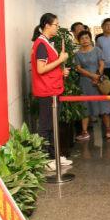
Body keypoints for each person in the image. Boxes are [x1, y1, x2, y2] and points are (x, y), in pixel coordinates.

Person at [30, 13, 71, 171]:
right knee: (46, 126)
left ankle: (54, 156)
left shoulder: (46, 42)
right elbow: (41, 69)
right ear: (47, 25)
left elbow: (49, 68)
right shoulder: (41, 44)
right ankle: (46, 159)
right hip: (46, 91)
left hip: (52, 89)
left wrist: (61, 72)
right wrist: (60, 60)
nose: (57, 28)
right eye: (56, 25)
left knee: (52, 125)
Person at [75, 30, 110, 140]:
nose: (84, 40)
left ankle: (108, 130)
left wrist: (98, 76)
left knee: (104, 106)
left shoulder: (97, 50)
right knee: (85, 107)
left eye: (86, 37)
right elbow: (79, 69)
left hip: (99, 82)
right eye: (82, 38)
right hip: (85, 83)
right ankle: (85, 132)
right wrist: (92, 76)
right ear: (78, 41)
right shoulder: (77, 54)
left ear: (90, 38)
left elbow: (101, 64)